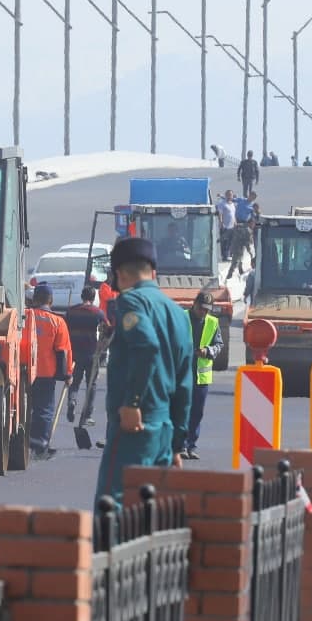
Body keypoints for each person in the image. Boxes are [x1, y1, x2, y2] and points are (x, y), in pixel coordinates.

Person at [94, 238, 194, 503]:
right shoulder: (179, 315)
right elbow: (185, 383)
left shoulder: (132, 302)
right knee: (150, 513)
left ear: (120, 274)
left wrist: (132, 403)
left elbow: (146, 346)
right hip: (164, 430)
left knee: (112, 506)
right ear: (154, 272)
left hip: (135, 427)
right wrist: (176, 444)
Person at [21, 284, 72, 457]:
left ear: (34, 299)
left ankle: (21, 442)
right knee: (44, 410)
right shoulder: (58, 322)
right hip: (45, 373)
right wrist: (67, 375)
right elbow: (63, 351)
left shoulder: (25, 317)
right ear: (50, 300)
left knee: (23, 407)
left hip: (23, 371)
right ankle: (40, 445)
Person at [182, 290, 222, 460]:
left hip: (201, 376)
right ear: (194, 304)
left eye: (206, 309)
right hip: (182, 374)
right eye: (200, 308)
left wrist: (208, 351)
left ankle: (191, 445)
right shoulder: (182, 317)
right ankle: (180, 445)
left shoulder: (213, 322)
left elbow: (219, 344)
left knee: (197, 413)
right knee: (181, 411)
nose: (203, 312)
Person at [64, 286, 110, 426]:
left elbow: (64, 328)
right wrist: (103, 344)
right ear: (93, 297)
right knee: (91, 384)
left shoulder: (71, 311)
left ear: (82, 296)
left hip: (75, 353)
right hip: (91, 353)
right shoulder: (97, 312)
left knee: (75, 382)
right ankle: (87, 415)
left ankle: (72, 400)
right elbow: (107, 328)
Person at [215, 190, 236, 261]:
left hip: (232, 227)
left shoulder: (232, 204)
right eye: (228, 195)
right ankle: (224, 256)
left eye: (231, 195)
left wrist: (235, 223)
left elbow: (233, 215)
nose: (230, 196)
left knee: (231, 242)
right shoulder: (222, 204)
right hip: (225, 226)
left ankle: (228, 255)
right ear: (226, 195)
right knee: (224, 242)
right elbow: (220, 214)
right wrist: (221, 223)